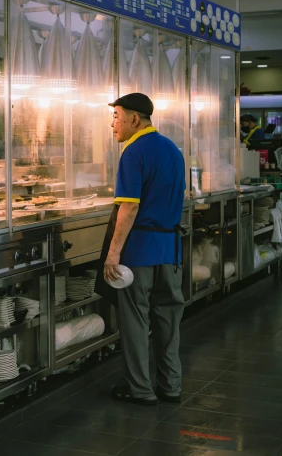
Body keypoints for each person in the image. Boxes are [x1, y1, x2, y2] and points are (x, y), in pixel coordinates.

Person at [94, 93, 186, 406]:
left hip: (140, 251)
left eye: (117, 116)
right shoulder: (173, 150)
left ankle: (140, 389)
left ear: (135, 119)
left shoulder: (134, 152)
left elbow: (129, 209)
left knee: (134, 321)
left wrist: (113, 253)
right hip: (170, 250)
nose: (113, 124)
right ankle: (171, 385)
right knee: (168, 321)